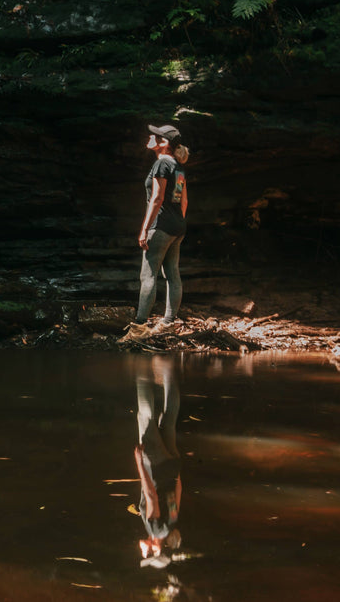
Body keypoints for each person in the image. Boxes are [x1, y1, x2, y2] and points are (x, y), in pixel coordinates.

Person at [122, 124, 189, 342]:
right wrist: (177, 222)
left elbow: (157, 199)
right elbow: (184, 200)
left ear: (164, 143)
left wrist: (144, 228)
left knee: (148, 275)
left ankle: (139, 328)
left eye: (156, 135)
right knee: (172, 274)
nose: (150, 136)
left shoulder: (161, 164)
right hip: (177, 225)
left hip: (160, 226)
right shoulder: (177, 166)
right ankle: (168, 323)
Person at [133, 355, 182, 568]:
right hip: (155, 464)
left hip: (172, 466)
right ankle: (141, 366)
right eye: (146, 553)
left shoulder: (170, 526)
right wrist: (139, 463)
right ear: (154, 548)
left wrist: (176, 472)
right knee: (146, 417)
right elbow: (151, 495)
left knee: (168, 419)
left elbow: (177, 493)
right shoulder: (154, 530)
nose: (141, 551)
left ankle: (169, 371)